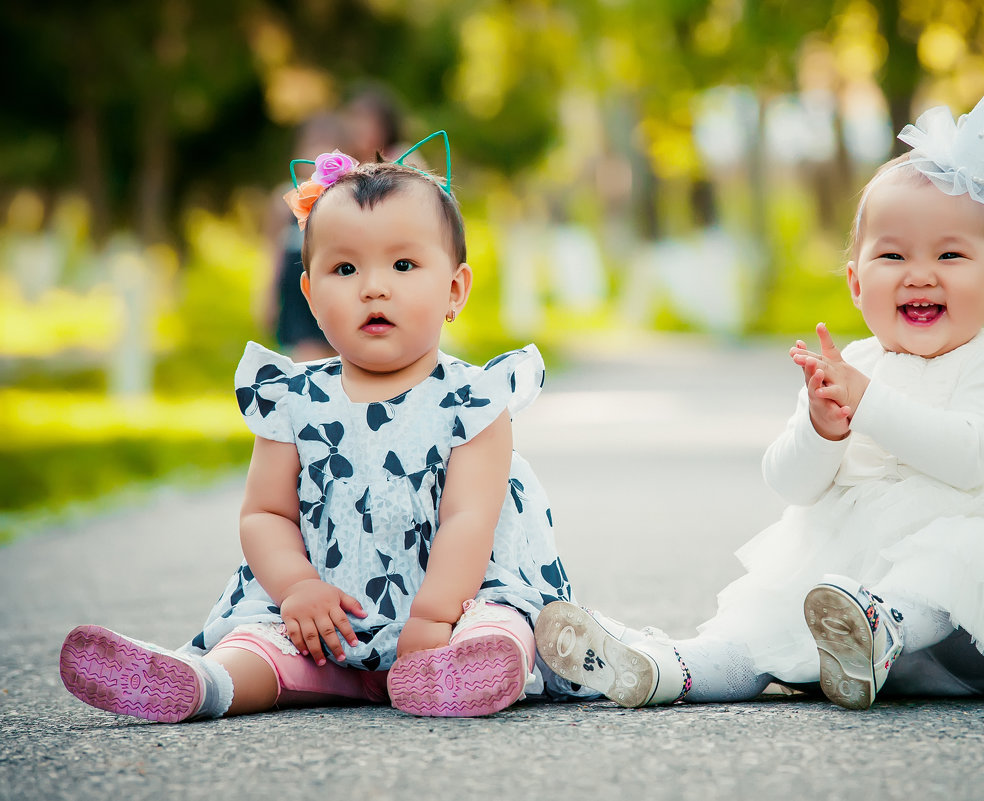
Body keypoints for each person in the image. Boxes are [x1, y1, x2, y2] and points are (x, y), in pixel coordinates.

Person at [533, 85, 984, 710]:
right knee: (763, 617)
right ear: (855, 281)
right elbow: (791, 484)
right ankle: (667, 667)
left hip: (970, 631)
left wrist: (867, 403)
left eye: (951, 255)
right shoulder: (854, 366)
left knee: (956, 555)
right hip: (844, 602)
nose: (920, 272)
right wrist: (822, 428)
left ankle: (882, 623)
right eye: (893, 254)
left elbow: (971, 457)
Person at [59, 135, 591, 720]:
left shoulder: (474, 399)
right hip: (327, 620)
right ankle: (203, 684)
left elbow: (470, 518)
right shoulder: (293, 399)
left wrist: (434, 616)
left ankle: (474, 672)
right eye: (344, 268)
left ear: (454, 290)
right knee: (261, 642)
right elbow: (266, 513)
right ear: (310, 295)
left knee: (500, 620)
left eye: (404, 264)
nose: (373, 286)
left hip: (451, 606)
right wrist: (296, 590)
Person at [263, 112, 343, 361]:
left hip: (333, 285)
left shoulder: (345, 197)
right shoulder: (284, 198)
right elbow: (271, 253)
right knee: (304, 359)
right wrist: (267, 297)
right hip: (296, 290)